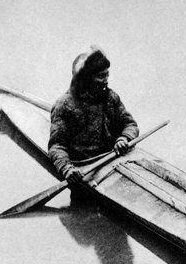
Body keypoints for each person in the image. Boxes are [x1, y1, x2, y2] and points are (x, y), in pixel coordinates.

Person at [48, 46, 139, 200]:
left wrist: (123, 139)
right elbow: (56, 146)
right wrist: (67, 169)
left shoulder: (111, 98)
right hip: (85, 166)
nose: (106, 80)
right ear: (86, 78)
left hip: (113, 158)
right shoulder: (64, 105)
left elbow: (130, 124)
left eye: (107, 75)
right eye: (100, 76)